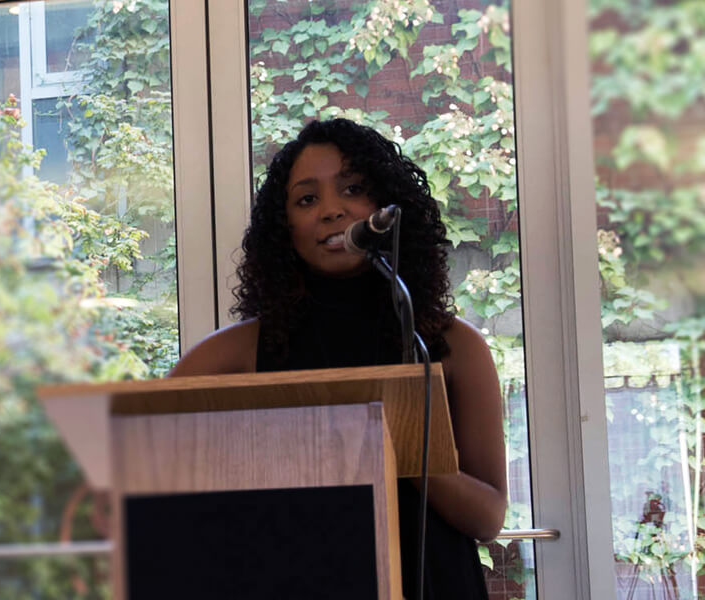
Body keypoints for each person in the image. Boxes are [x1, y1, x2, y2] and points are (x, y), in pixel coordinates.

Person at [170, 118, 506, 599]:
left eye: (353, 189)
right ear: (284, 228)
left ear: (388, 210)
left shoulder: (452, 346)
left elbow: (488, 518)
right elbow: (156, 478)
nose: (331, 210)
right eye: (307, 199)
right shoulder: (231, 355)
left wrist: (395, 446)